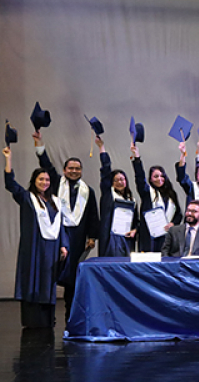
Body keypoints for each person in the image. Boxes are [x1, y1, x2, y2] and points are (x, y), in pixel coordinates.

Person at [32, 131, 99, 321]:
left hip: (77, 236)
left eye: (78, 169)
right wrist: (39, 144)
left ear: (81, 171)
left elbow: (93, 215)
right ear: (64, 170)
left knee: (72, 276)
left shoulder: (88, 191)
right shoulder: (54, 184)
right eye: (71, 168)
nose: (74, 171)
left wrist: (92, 237)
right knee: (52, 270)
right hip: (56, 233)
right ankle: (46, 314)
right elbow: (45, 165)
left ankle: (71, 314)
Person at [4, 146, 68, 327]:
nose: (45, 182)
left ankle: (47, 319)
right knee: (32, 279)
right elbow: (10, 184)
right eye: (41, 179)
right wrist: (8, 159)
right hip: (33, 247)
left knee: (48, 281)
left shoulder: (55, 201)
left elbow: (60, 225)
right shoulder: (27, 198)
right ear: (34, 181)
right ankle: (32, 321)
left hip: (52, 248)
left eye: (47, 179)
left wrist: (64, 245)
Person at [131, 144, 182, 252]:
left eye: (162, 176)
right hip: (150, 236)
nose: (160, 179)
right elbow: (139, 177)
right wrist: (137, 158)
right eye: (156, 176)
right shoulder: (147, 192)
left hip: (167, 236)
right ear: (150, 179)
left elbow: (179, 214)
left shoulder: (171, 194)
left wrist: (173, 224)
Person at [96, 137, 138, 257]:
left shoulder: (131, 200)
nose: (120, 182)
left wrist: (135, 230)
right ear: (111, 182)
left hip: (126, 239)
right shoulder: (108, 196)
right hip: (110, 239)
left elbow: (136, 222)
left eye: (122, 179)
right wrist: (101, 148)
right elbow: (105, 171)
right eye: (116, 180)